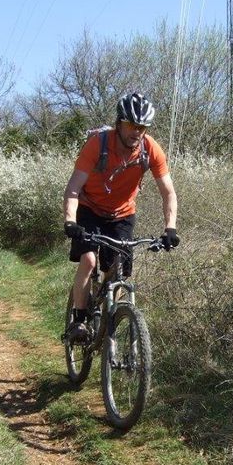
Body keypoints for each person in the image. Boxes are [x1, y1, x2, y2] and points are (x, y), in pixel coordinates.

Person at [63, 92, 179, 343]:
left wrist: (170, 228)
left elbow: (168, 192)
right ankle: (80, 321)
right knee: (90, 260)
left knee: (118, 271)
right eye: (131, 125)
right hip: (90, 209)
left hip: (122, 214)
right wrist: (70, 221)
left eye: (142, 127)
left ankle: (109, 321)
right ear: (119, 123)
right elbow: (73, 188)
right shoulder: (97, 145)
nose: (136, 132)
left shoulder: (151, 150)